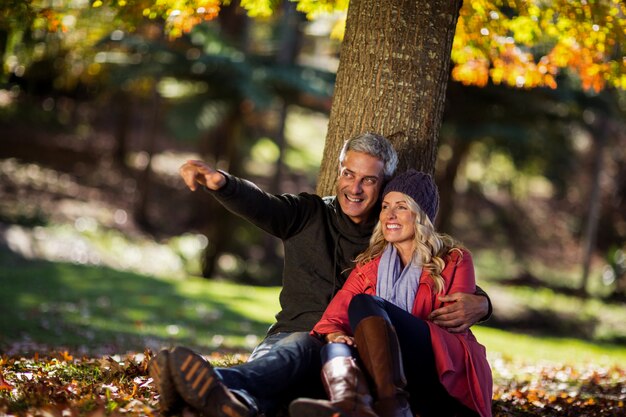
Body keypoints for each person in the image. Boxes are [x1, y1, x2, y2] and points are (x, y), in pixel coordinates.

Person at [150, 133, 492, 417]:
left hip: (349, 355)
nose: (354, 188)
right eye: (348, 174)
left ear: (385, 186)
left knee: (299, 384)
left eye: (368, 180)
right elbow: (263, 204)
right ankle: (223, 393)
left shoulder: (391, 231)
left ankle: (215, 390)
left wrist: (482, 303)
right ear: (338, 172)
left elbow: (437, 276)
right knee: (294, 353)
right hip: (299, 340)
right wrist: (222, 183)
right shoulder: (308, 213)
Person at [289, 169, 492, 417]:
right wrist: (335, 335)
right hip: (389, 371)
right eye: (385, 206)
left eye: (402, 207)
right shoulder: (368, 266)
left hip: (437, 365)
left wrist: (483, 304)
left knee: (365, 303)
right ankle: (351, 404)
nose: (390, 215)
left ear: (421, 214)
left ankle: (390, 404)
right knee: (334, 349)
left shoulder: (453, 260)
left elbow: (451, 323)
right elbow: (331, 320)